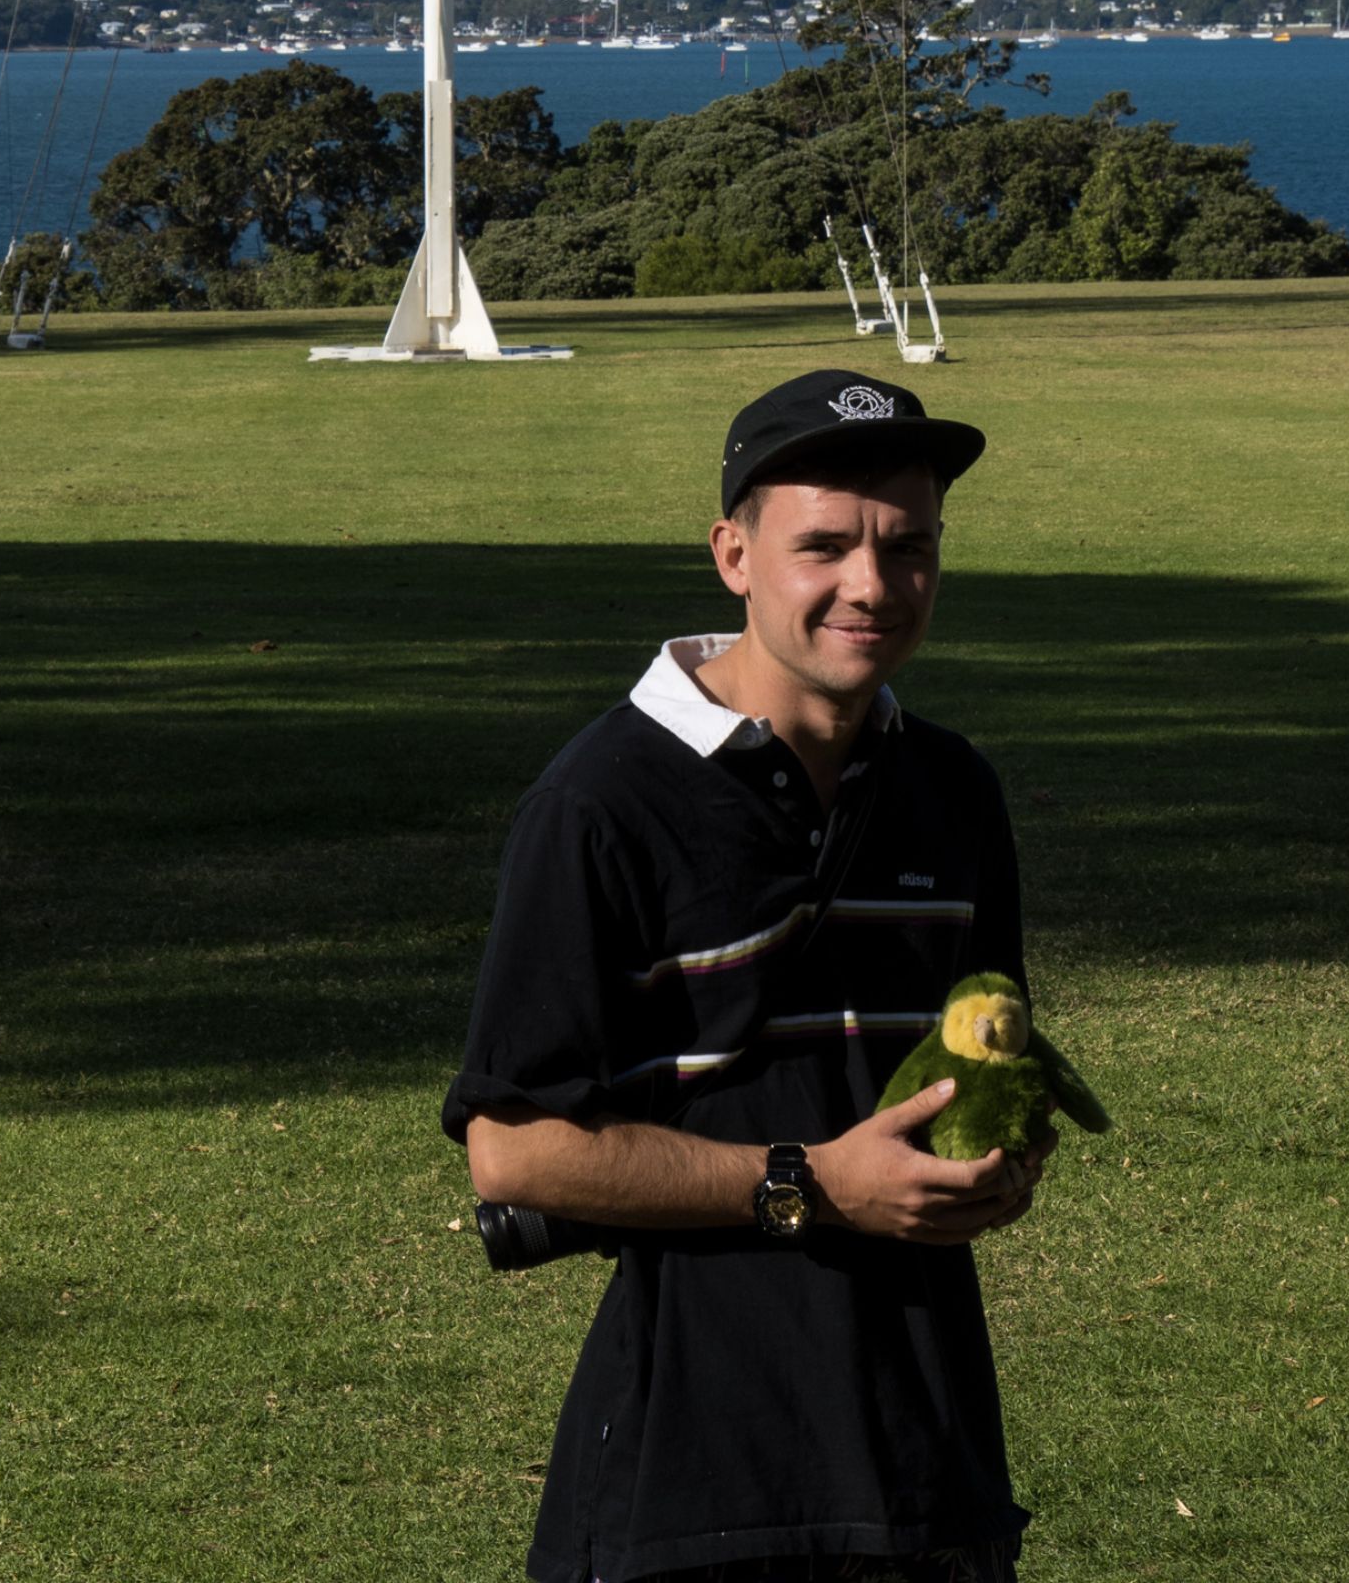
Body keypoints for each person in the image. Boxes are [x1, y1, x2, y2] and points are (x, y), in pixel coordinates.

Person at [443, 365, 1045, 1583]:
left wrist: (1003, 1164)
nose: (871, 586)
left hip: (931, 1470)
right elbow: (513, 1148)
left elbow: (988, 1061)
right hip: (695, 1481)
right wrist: (814, 1184)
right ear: (733, 555)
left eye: (909, 546)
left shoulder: (953, 790)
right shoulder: (600, 801)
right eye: (823, 545)